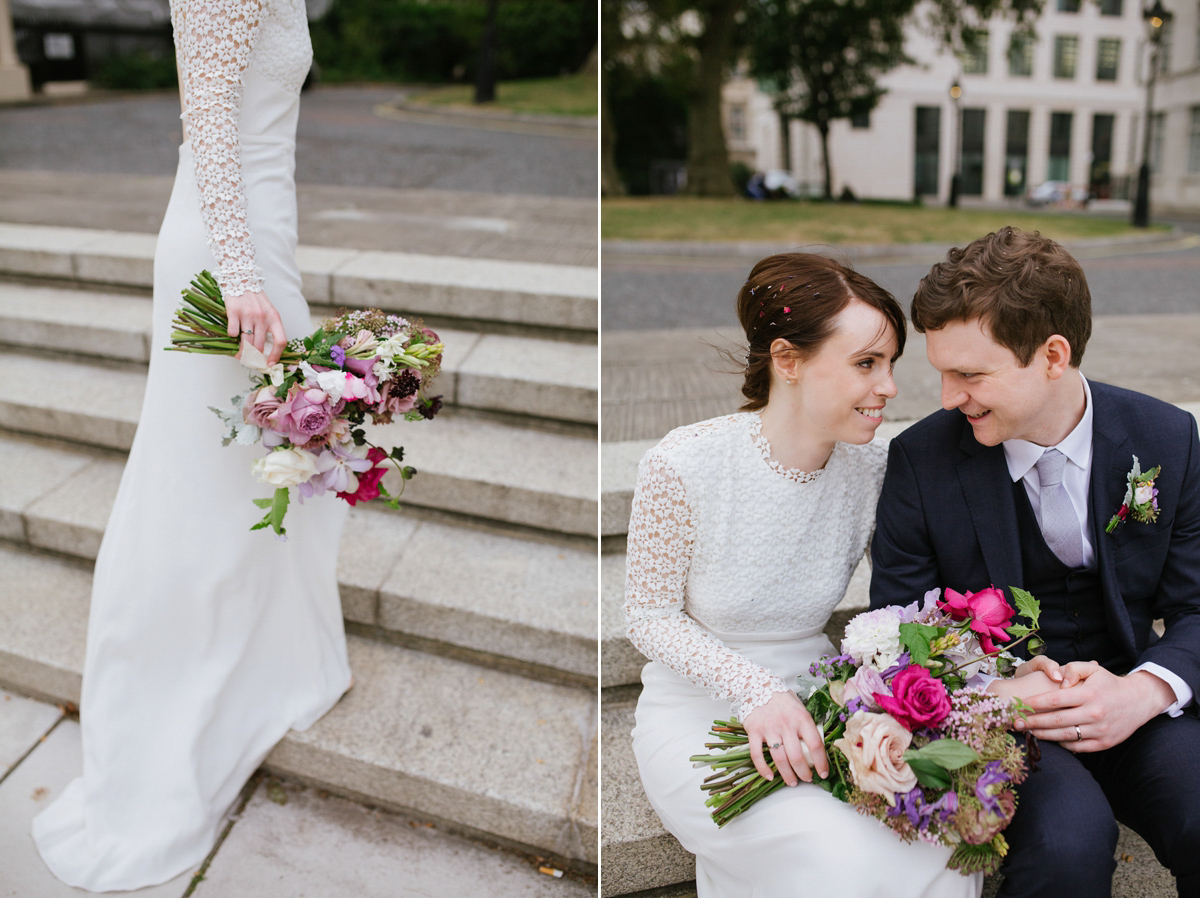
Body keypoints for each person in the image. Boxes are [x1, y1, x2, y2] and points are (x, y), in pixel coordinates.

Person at [31, 0, 353, 889]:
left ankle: (271, 653)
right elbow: (206, 125)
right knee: (203, 483)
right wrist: (242, 281)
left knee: (267, 468)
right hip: (227, 257)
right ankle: (162, 712)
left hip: (261, 241)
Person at [625, 252, 1017, 897]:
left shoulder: (873, 470)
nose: (889, 386)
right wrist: (755, 692)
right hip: (699, 711)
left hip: (826, 704)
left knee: (937, 839)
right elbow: (649, 615)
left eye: (890, 364)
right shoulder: (686, 462)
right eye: (867, 364)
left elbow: (912, 603)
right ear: (787, 360)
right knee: (834, 855)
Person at [870, 226, 1200, 898]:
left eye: (969, 374)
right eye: (941, 371)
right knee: (1066, 846)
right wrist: (1000, 688)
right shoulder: (922, 460)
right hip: (1005, 720)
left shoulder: (1165, 435)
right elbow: (894, 627)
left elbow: (1197, 608)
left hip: (1131, 697)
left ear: (1053, 355)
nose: (947, 396)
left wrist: (1142, 692)